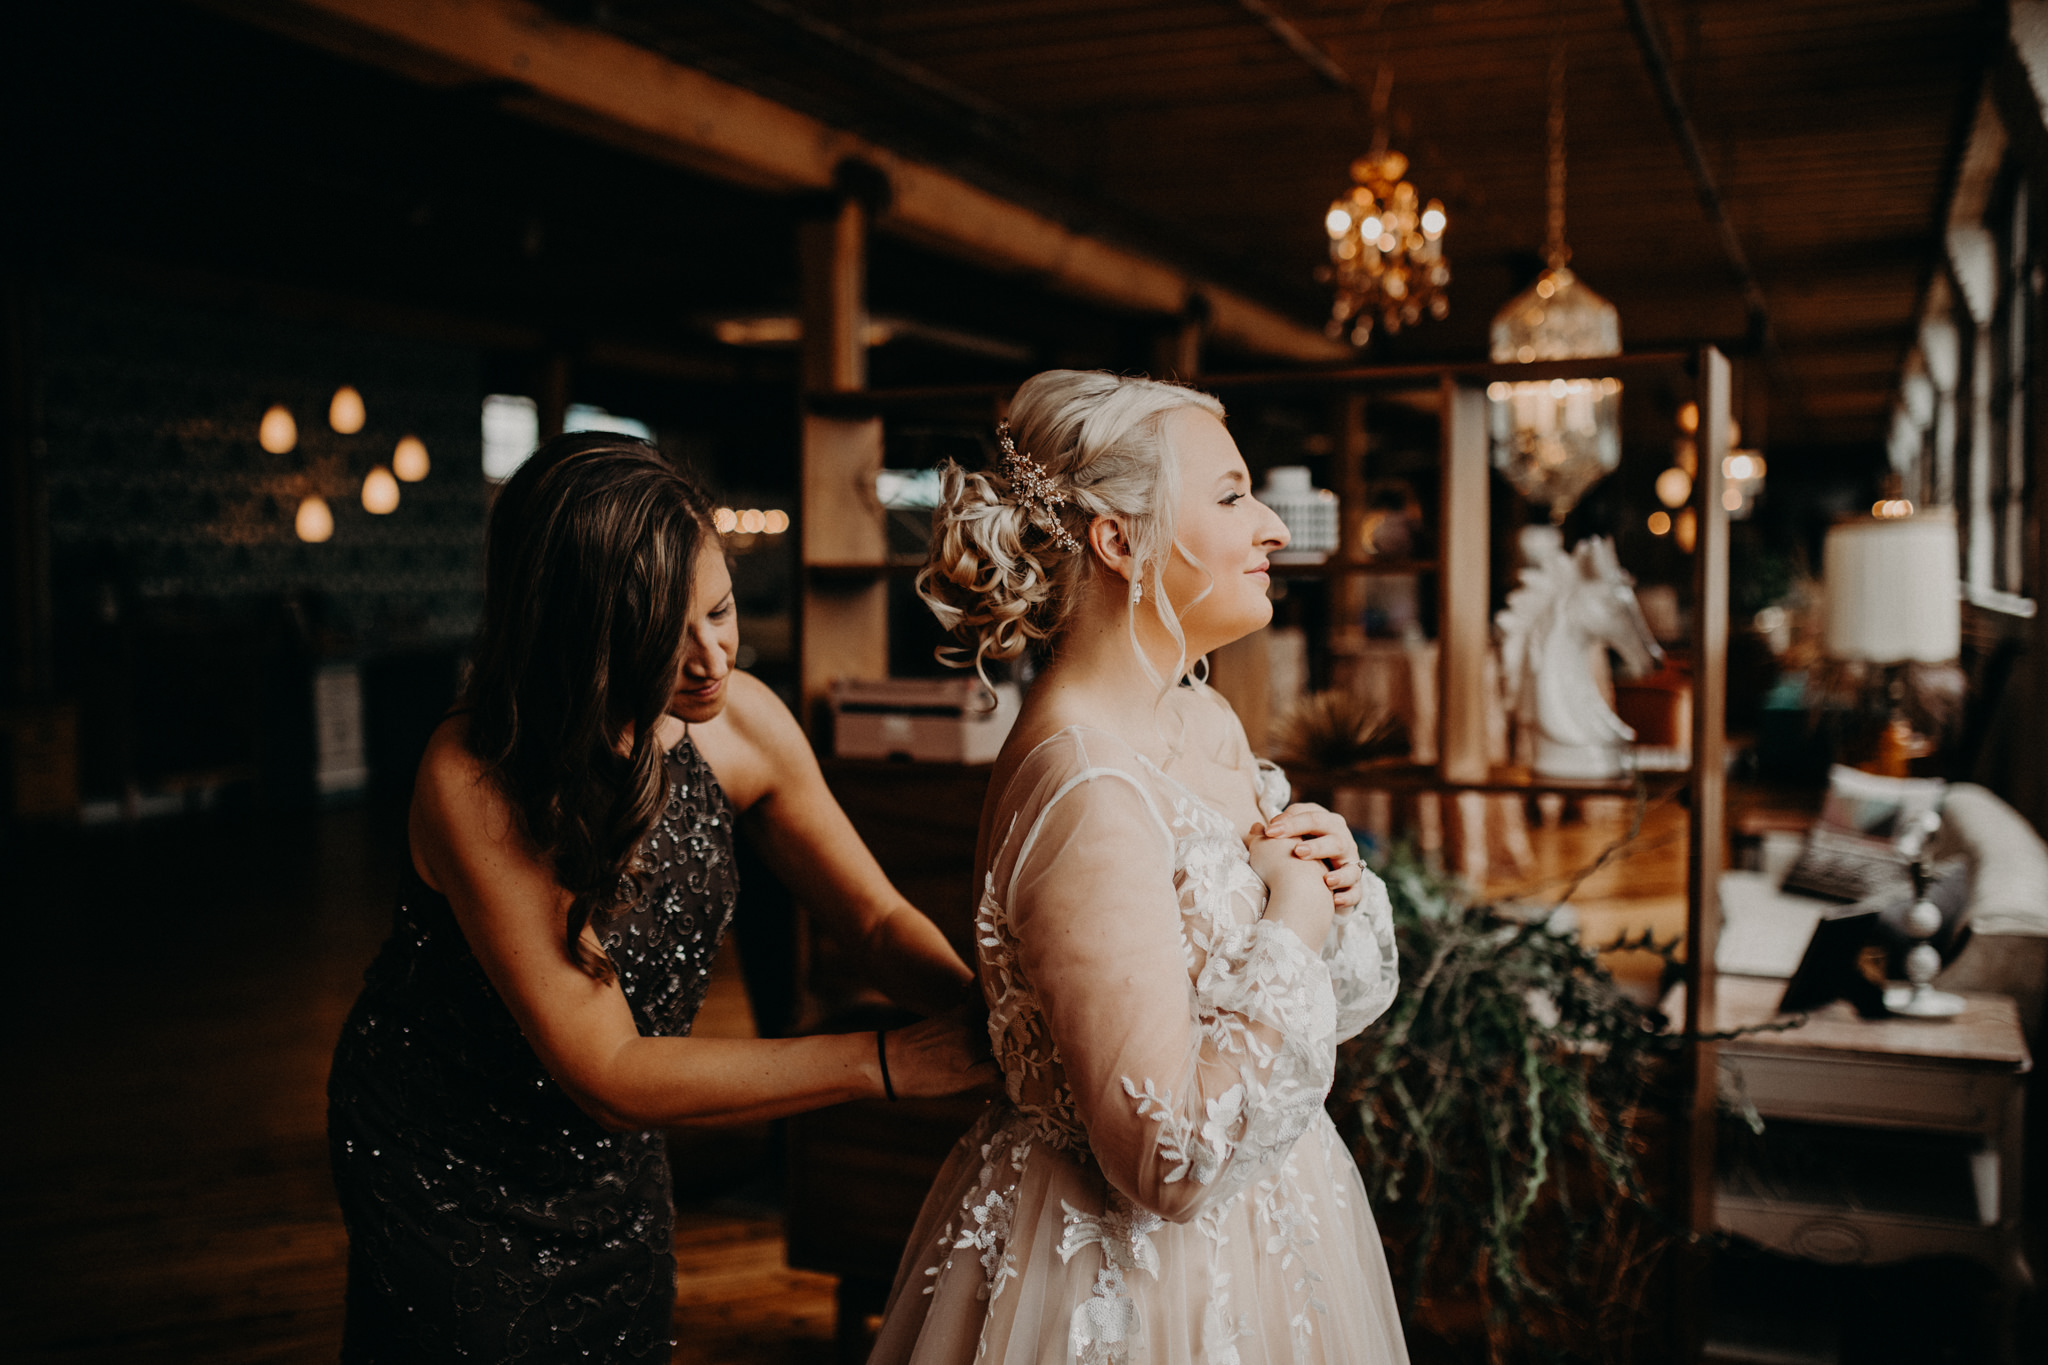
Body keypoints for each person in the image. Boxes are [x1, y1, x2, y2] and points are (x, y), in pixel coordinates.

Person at [327, 434, 995, 1363]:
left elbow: (875, 922)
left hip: (622, 1147)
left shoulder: (743, 722)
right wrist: (885, 1062)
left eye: (718, 610)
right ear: (573, 636)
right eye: (656, 637)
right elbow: (603, 1069)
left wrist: (986, 1012)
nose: (711, 659)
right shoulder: (476, 777)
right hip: (452, 1156)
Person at [871, 372, 1407, 1365]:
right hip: (1125, 1283)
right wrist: (1291, 921)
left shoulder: (1198, 712)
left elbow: (1306, 1002)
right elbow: (1170, 1160)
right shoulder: (1085, 792)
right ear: (1117, 541)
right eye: (1231, 494)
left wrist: (1331, 884)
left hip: (1277, 1235)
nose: (1272, 531)